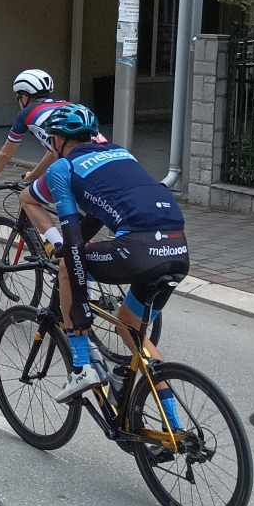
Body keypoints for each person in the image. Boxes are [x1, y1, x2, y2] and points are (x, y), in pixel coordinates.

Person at [38, 104, 190, 401]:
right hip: (178, 249)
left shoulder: (62, 168)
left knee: (70, 265)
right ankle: (176, 427)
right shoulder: (122, 152)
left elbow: (71, 237)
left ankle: (81, 367)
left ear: (57, 140)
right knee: (131, 329)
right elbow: (101, 212)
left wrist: (65, 256)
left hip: (137, 249)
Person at [0, 69, 94, 237]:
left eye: (18, 97)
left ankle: (58, 247)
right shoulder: (65, 106)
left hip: (76, 168)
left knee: (27, 198)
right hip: (101, 161)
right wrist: (33, 176)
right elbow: (54, 151)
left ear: (24, 96)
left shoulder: (26, 114)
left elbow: (5, 154)